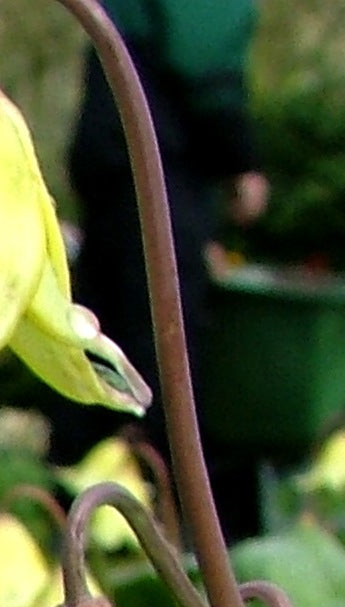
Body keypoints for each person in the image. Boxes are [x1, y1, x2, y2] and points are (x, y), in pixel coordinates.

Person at [52, 0, 270, 536]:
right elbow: (203, 56)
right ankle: (173, 532)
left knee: (94, 332)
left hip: (109, 136)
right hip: (157, 149)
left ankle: (74, 522)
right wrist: (239, 156)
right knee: (164, 349)